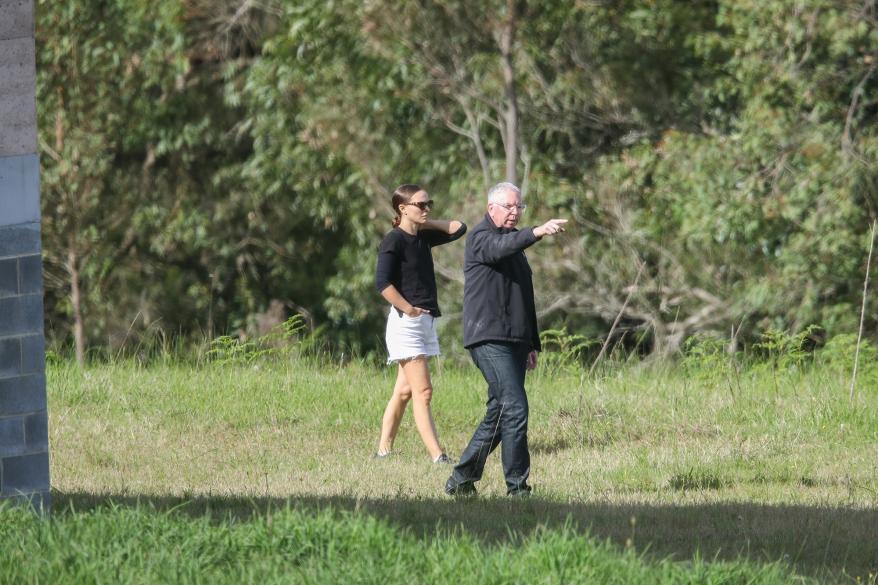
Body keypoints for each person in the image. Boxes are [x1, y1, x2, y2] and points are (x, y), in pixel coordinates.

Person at [444, 182, 567, 496]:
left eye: (519, 207)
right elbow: (501, 248)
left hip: (514, 340)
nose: (515, 212)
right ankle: (517, 489)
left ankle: (461, 480)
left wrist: (531, 344)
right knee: (515, 407)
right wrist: (535, 232)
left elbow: (524, 297)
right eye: (509, 207)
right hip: (488, 337)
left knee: (499, 411)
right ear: (491, 209)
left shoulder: (515, 248)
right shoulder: (481, 239)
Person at [374, 184, 467, 463]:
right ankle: (438, 456)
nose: (427, 209)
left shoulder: (424, 239)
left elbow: (459, 228)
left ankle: (383, 451)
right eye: (421, 205)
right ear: (402, 208)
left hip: (425, 321)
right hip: (407, 323)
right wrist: (408, 309)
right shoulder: (393, 240)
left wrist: (423, 222)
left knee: (404, 392)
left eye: (429, 204)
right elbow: (383, 284)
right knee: (423, 392)